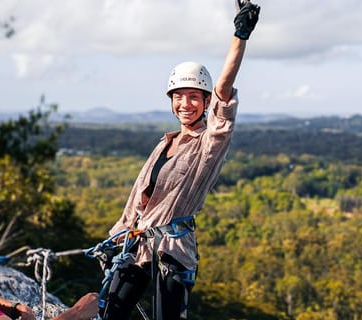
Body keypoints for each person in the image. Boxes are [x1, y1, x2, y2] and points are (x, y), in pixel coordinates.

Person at [99, 1, 261, 319]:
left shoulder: (208, 145)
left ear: (205, 102)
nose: (184, 103)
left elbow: (224, 92)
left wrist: (239, 37)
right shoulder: (165, 144)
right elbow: (137, 202)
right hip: (137, 245)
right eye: (178, 96)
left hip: (173, 250)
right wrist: (115, 236)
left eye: (192, 97)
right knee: (109, 313)